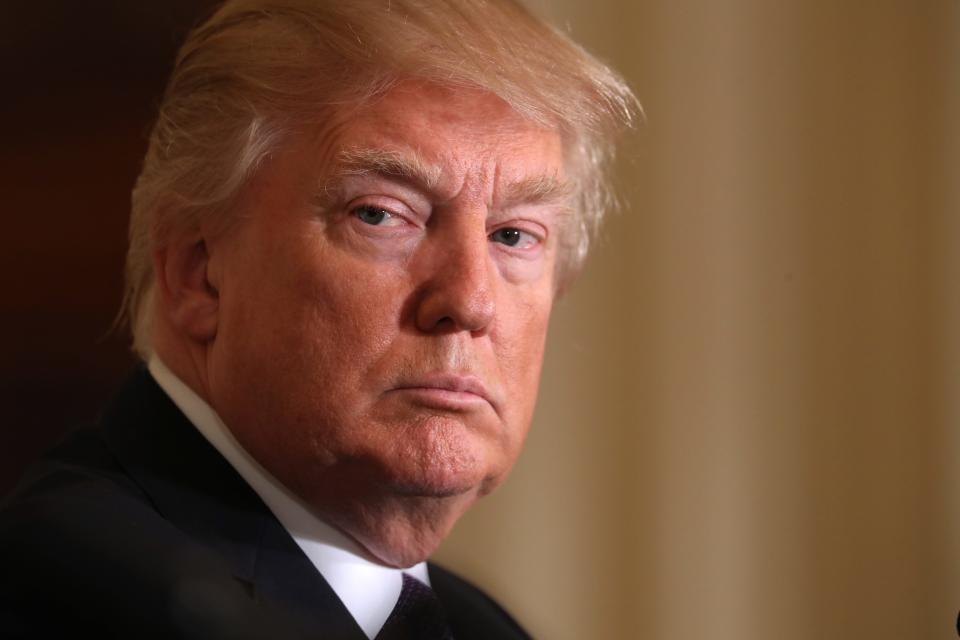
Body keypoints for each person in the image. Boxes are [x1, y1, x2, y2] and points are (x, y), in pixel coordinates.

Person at [0, 0, 636, 637]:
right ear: (199, 274)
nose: (470, 302)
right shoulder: (77, 595)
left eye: (514, 234)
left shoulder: (481, 627)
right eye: (381, 214)